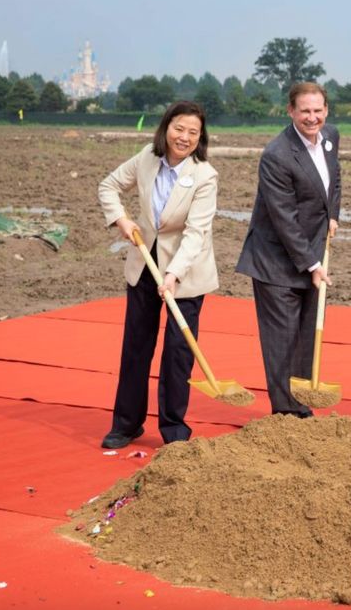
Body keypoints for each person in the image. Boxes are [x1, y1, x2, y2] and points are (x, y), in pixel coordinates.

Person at [98, 100, 218, 448]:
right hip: (145, 262)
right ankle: (126, 423)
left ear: (200, 137)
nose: (184, 137)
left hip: (187, 270)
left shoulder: (205, 176)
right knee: (136, 345)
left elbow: (196, 233)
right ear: (166, 128)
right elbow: (108, 186)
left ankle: (174, 429)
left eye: (193, 132)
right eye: (179, 128)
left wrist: (173, 275)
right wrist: (121, 219)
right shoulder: (146, 158)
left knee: (178, 351)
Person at [236, 82, 340, 417]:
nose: (312, 118)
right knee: (282, 339)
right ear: (290, 111)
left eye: (318, 110)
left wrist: (333, 215)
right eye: (305, 111)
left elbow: (334, 179)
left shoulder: (330, 137)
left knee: (307, 335)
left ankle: (301, 405)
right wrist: (312, 264)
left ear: (326, 110)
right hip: (275, 261)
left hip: (312, 251)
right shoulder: (276, 155)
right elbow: (284, 218)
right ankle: (285, 413)